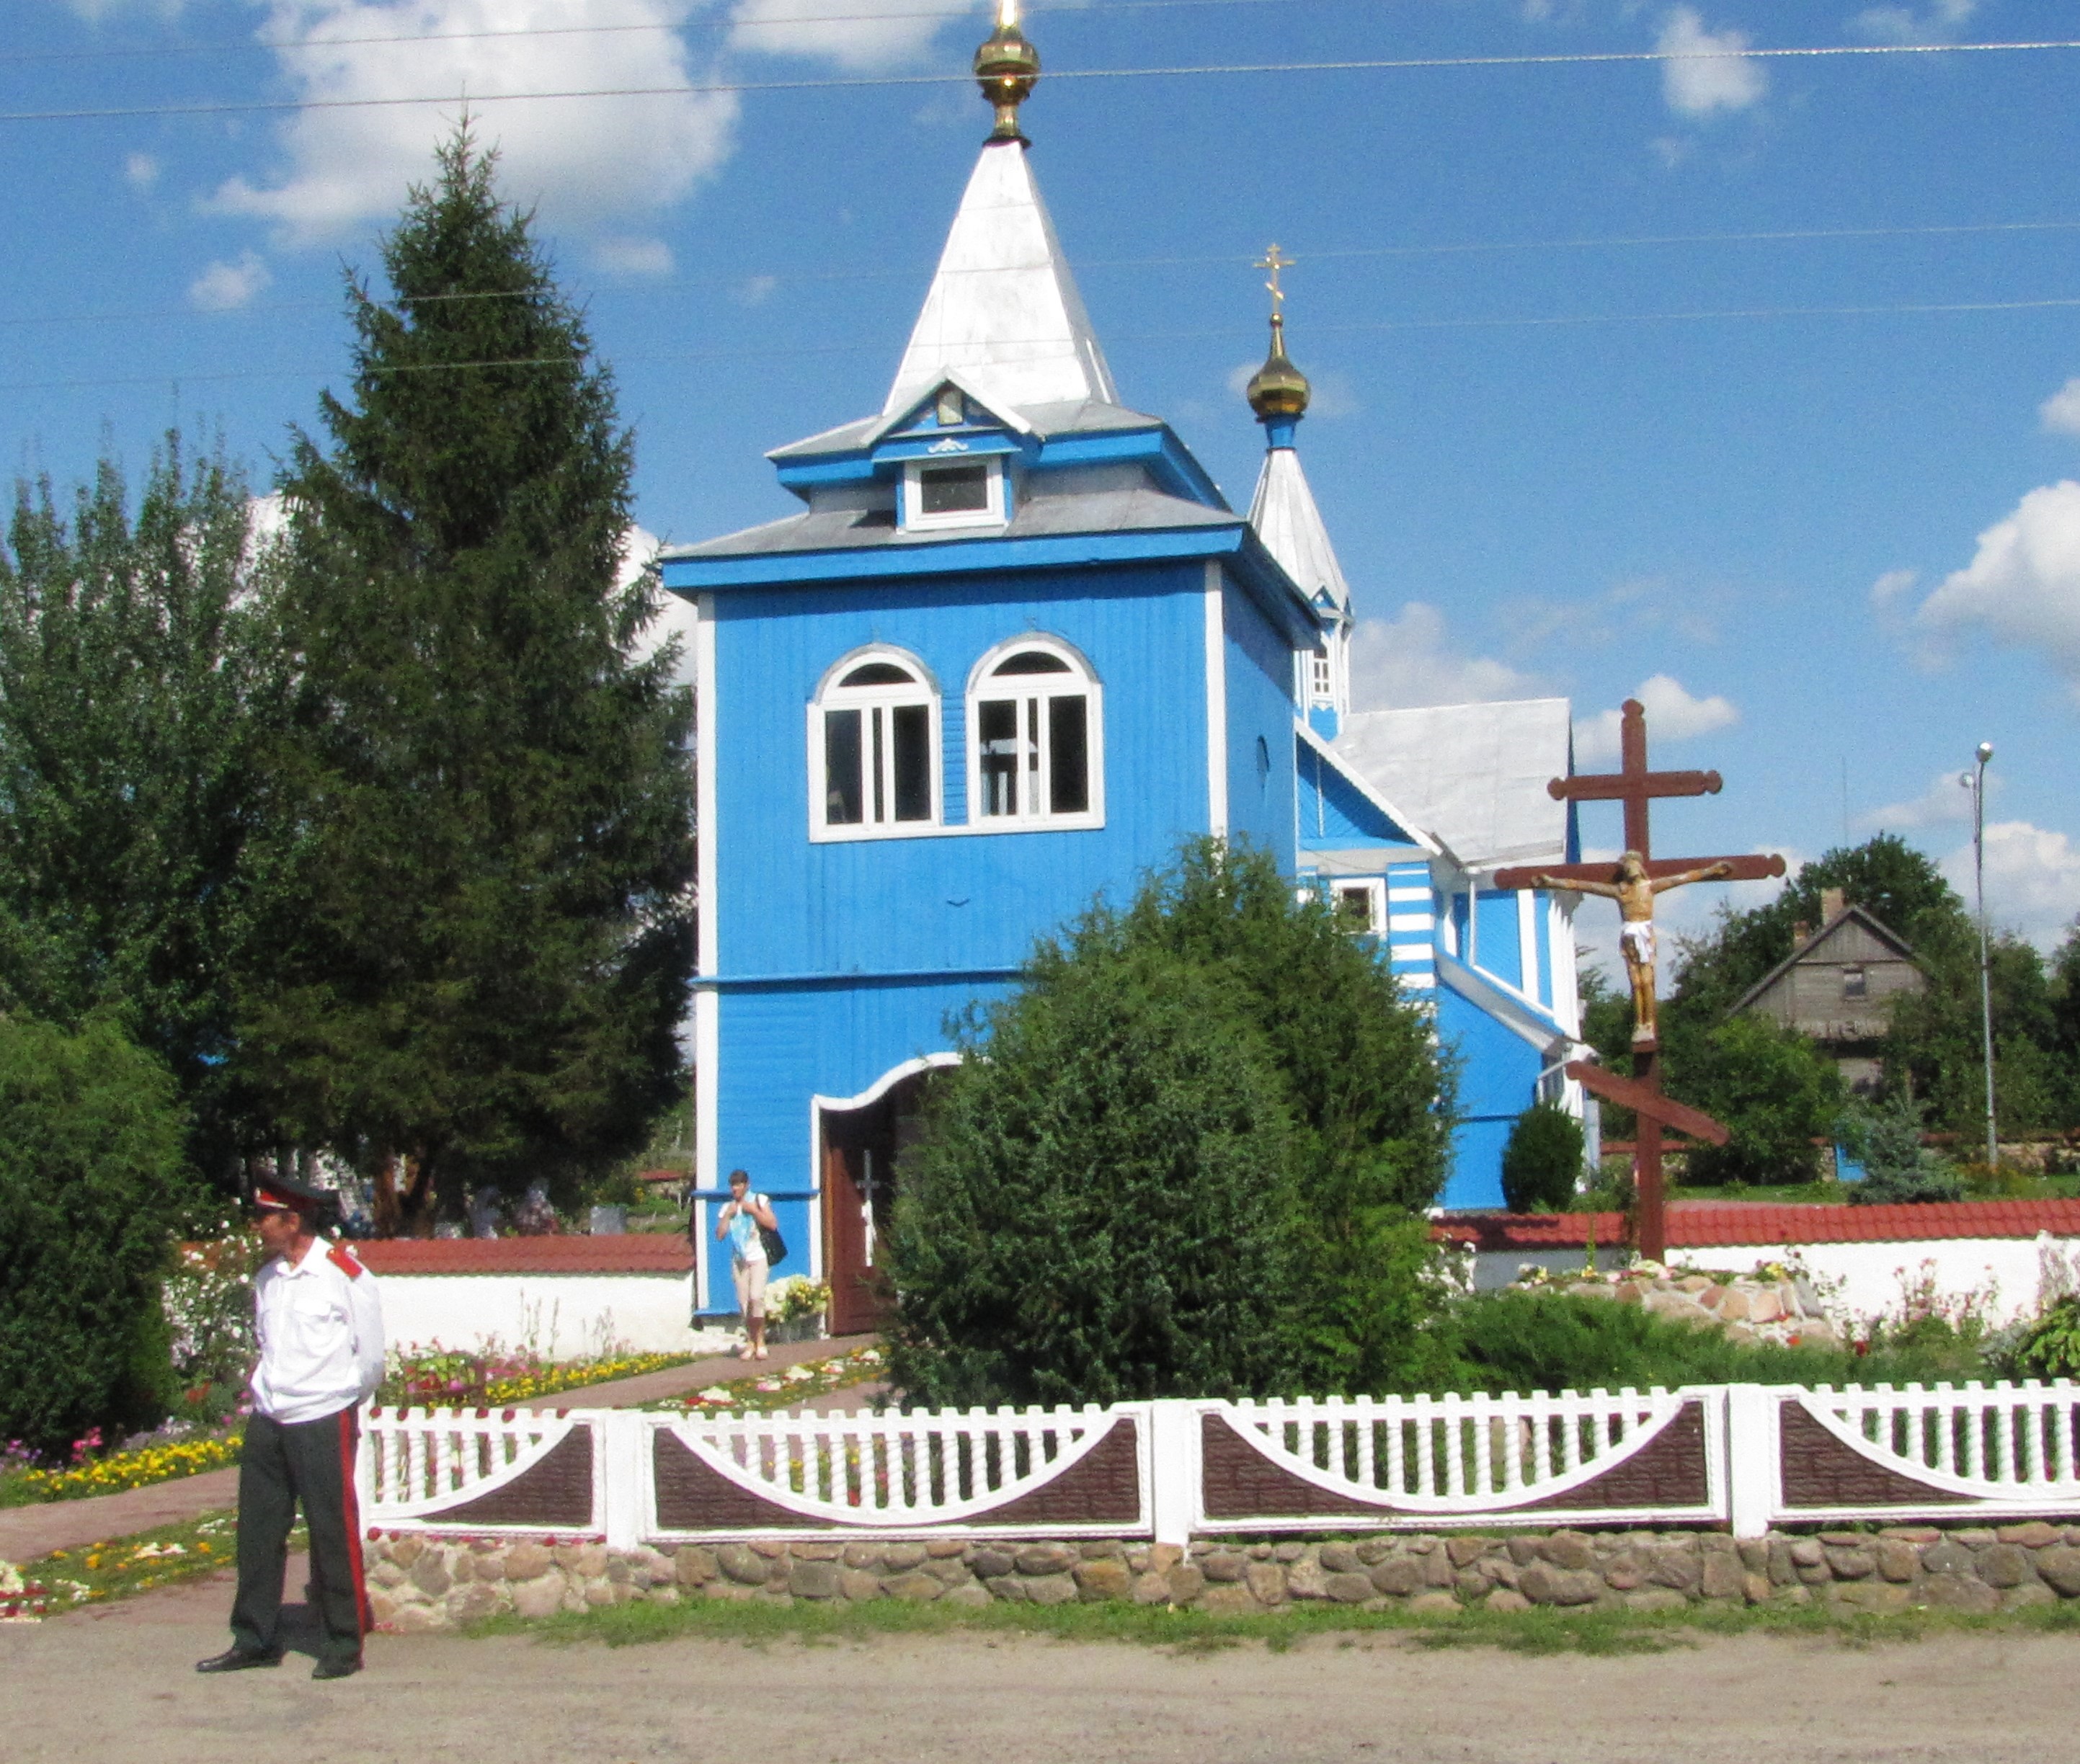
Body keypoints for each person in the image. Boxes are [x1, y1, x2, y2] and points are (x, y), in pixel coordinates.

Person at [196, 1170, 385, 1681]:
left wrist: (343, 1398)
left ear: (293, 1220)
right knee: (257, 1532)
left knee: (331, 1529)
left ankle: (343, 1642)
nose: (257, 1226)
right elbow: (268, 1344)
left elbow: (371, 1358)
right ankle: (254, 1638)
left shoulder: (344, 1275)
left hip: (322, 1415)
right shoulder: (268, 1279)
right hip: (270, 1417)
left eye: (265, 1216)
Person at [714, 1168, 778, 1359]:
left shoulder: (759, 1200)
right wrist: (728, 1216)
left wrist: (754, 1211)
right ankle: (751, 1341)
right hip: (740, 1259)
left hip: (758, 1256)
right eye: (733, 1185)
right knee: (744, 1303)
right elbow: (720, 1235)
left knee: (756, 1298)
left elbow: (772, 1224)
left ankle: (761, 1341)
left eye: (739, 1184)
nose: (736, 1189)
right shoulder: (728, 1207)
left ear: (746, 1185)